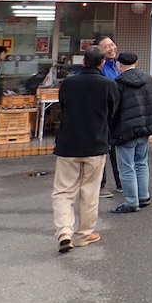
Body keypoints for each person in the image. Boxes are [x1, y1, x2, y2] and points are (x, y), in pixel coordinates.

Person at [51, 45, 119, 253]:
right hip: (95, 143)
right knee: (89, 191)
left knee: (63, 190)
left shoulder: (69, 83)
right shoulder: (108, 85)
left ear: (83, 62)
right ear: (101, 63)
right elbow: (113, 112)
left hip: (68, 143)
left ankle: (64, 231)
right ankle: (83, 234)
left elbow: (62, 106)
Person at [110, 52, 152, 214]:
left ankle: (131, 202)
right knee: (141, 163)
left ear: (119, 64)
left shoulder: (118, 83)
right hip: (144, 128)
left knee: (126, 167)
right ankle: (143, 196)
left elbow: (114, 110)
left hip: (125, 130)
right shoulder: (148, 80)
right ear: (136, 62)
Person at [94, 35, 122, 197]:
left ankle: (120, 182)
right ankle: (101, 185)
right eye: (107, 47)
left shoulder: (117, 65)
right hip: (104, 115)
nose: (111, 48)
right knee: (102, 150)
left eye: (112, 44)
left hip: (117, 115)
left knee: (116, 150)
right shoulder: (100, 69)